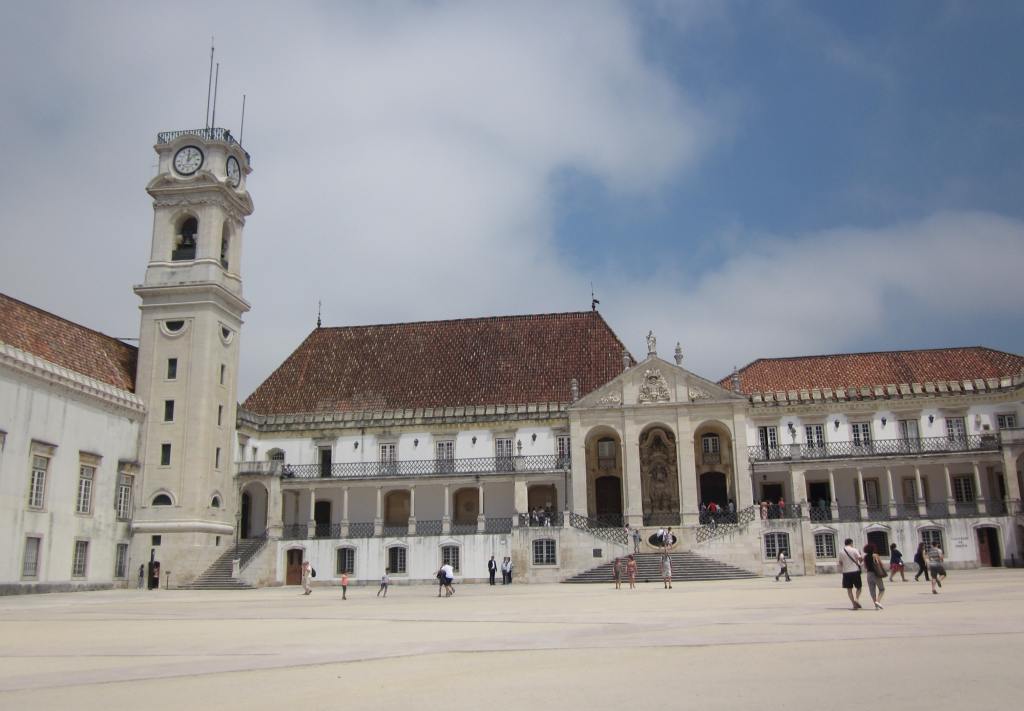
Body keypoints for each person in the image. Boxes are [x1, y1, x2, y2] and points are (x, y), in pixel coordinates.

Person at [838, 538, 863, 610]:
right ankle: (856, 599)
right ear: (851, 543)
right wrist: (859, 563)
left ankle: (854, 604)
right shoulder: (854, 550)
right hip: (855, 571)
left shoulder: (841, 551)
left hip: (846, 572)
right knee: (859, 587)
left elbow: (840, 562)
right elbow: (860, 558)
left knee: (849, 589)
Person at [863, 543, 886, 610]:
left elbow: (865, 566)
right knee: (882, 589)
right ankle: (877, 602)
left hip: (869, 574)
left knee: (872, 590)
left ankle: (875, 605)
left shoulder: (865, 557)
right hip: (876, 574)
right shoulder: (876, 555)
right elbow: (881, 564)